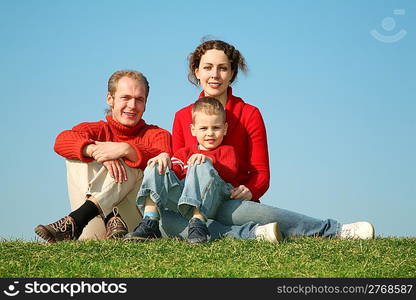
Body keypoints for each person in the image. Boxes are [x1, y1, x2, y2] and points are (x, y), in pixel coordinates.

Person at [168, 39, 375, 240]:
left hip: (232, 202)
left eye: (222, 68)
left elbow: (261, 173)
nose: (215, 75)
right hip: (194, 204)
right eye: (208, 67)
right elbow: (179, 167)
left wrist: (250, 191)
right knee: (165, 221)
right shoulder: (182, 117)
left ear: (232, 73)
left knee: (251, 213)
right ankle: (253, 234)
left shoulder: (249, 114)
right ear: (197, 71)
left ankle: (334, 230)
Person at [34, 70, 172, 242]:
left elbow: (163, 157)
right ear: (110, 99)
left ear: (145, 104)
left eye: (139, 99)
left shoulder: (158, 134)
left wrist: (125, 149)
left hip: (133, 223)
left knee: (140, 161)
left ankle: (75, 220)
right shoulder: (95, 129)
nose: (132, 105)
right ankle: (104, 218)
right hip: (92, 224)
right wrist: (95, 152)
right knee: (78, 155)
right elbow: (62, 140)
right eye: (125, 98)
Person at [125, 97, 282, 244]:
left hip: (215, 200)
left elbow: (230, 173)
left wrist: (208, 161)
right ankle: (150, 220)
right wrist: (164, 160)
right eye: (203, 128)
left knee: (200, 166)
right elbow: (176, 169)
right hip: (184, 199)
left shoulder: (227, 152)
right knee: (157, 165)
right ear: (193, 130)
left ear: (225, 129)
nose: (209, 133)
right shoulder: (185, 153)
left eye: (216, 128)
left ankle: (198, 221)